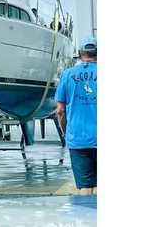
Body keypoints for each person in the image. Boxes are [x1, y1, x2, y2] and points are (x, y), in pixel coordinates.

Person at [55, 35, 98, 195]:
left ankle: (87, 218)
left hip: (78, 138)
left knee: (85, 187)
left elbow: (60, 110)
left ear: (80, 53)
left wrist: (66, 132)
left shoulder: (66, 75)